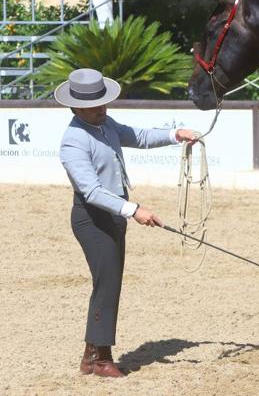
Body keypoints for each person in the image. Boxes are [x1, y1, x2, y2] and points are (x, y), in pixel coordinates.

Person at [56, 69, 198, 378]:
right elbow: (91, 191)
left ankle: (91, 357)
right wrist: (133, 209)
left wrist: (175, 135)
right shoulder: (73, 142)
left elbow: (139, 136)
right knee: (106, 285)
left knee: (109, 284)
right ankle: (102, 359)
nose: (102, 110)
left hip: (113, 214)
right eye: (95, 106)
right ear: (77, 108)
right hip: (92, 218)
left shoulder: (105, 124)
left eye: (103, 103)